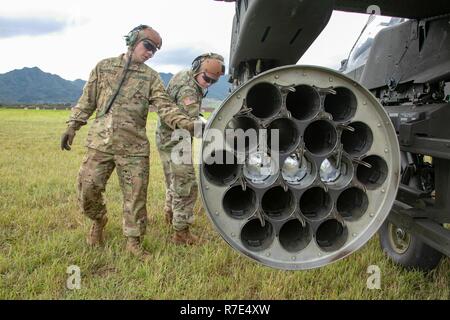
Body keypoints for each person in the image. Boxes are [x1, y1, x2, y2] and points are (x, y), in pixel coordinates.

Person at [60, 25, 195, 259]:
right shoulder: (104, 68)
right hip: (100, 145)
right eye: (148, 47)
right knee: (87, 190)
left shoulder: (151, 77)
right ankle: (98, 220)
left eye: (155, 51)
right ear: (133, 41)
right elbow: (87, 101)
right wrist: (73, 125)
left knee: (135, 198)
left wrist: (188, 124)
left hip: (134, 149)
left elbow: (165, 107)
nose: (150, 53)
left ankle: (133, 242)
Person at [156, 53, 225, 245]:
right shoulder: (189, 89)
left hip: (165, 136)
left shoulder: (185, 75)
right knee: (187, 185)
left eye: (213, 81)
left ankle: (170, 214)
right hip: (176, 140)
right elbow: (190, 124)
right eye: (207, 79)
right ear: (197, 69)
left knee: (173, 179)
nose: (208, 84)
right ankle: (181, 233)